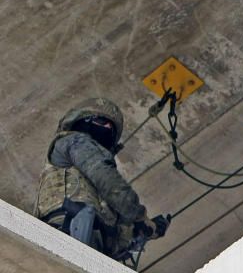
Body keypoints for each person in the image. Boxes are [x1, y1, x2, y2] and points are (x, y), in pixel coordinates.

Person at [33, 98, 169, 261]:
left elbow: (116, 240)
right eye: (101, 122)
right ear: (82, 122)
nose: (106, 128)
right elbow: (106, 178)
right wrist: (139, 216)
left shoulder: (98, 195)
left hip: (92, 250)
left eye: (110, 128)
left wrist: (141, 231)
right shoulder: (72, 142)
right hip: (66, 233)